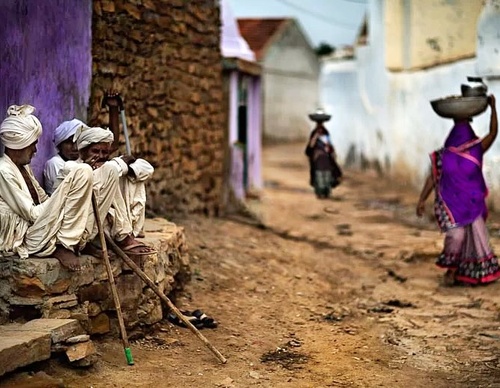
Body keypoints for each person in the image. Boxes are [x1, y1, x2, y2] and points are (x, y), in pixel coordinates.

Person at [416, 94, 500, 286]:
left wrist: (493, 108)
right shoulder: (443, 155)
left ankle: (466, 272)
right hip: (450, 203)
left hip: (472, 203)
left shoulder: (477, 148)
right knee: (456, 235)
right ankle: (451, 268)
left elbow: (493, 132)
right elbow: (432, 178)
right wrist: (422, 200)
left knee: (477, 239)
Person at [0, 105, 94, 270]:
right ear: (20, 144)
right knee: (82, 170)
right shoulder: (3, 171)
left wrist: (67, 197)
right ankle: (63, 245)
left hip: (40, 227)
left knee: (88, 174)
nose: (35, 150)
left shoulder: (24, 167)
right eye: (33, 145)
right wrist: (65, 193)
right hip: (29, 239)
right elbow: (33, 214)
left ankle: (73, 241)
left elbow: (43, 199)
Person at [54, 124, 156, 257]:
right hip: (80, 226)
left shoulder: (109, 165)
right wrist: (115, 167)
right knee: (109, 177)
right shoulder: (71, 167)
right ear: (83, 152)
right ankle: (122, 237)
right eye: (95, 151)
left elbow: (147, 169)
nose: (100, 156)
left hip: (105, 224)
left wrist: (126, 167)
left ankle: (124, 235)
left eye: (105, 153)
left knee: (131, 178)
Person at [305, 108, 342, 199]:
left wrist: (332, 152)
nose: (320, 124)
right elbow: (311, 146)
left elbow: (329, 144)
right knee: (319, 175)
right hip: (318, 158)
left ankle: (326, 192)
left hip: (326, 157)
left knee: (327, 174)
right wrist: (316, 136)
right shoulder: (314, 133)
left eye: (321, 122)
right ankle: (320, 192)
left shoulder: (326, 132)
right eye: (318, 122)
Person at [43, 118, 87, 195]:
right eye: (69, 142)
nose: (75, 148)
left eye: (78, 142)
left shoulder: (80, 160)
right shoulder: (54, 163)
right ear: (60, 145)